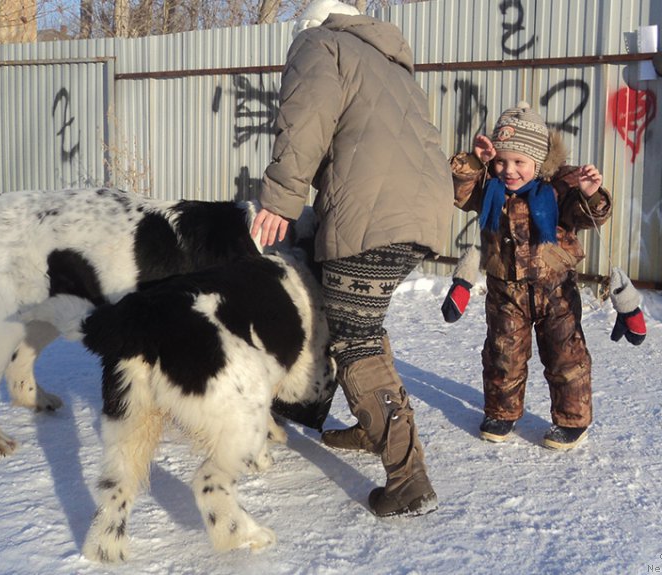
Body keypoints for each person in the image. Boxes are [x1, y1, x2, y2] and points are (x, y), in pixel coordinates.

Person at [251, 0, 454, 517]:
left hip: (372, 212)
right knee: (361, 323)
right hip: (423, 209)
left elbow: (305, 121)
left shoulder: (319, 44)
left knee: (354, 339)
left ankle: (408, 479)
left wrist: (280, 199)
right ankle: (374, 428)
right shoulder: (387, 60)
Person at [448, 101, 612, 450]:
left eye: (519, 162)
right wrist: (476, 162)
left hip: (556, 290)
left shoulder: (558, 190)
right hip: (505, 290)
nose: (509, 170)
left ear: (538, 163)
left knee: (565, 355)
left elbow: (590, 216)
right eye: (502, 161)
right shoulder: (488, 187)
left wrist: (591, 194)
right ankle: (501, 412)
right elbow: (459, 190)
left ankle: (572, 419)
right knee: (502, 353)